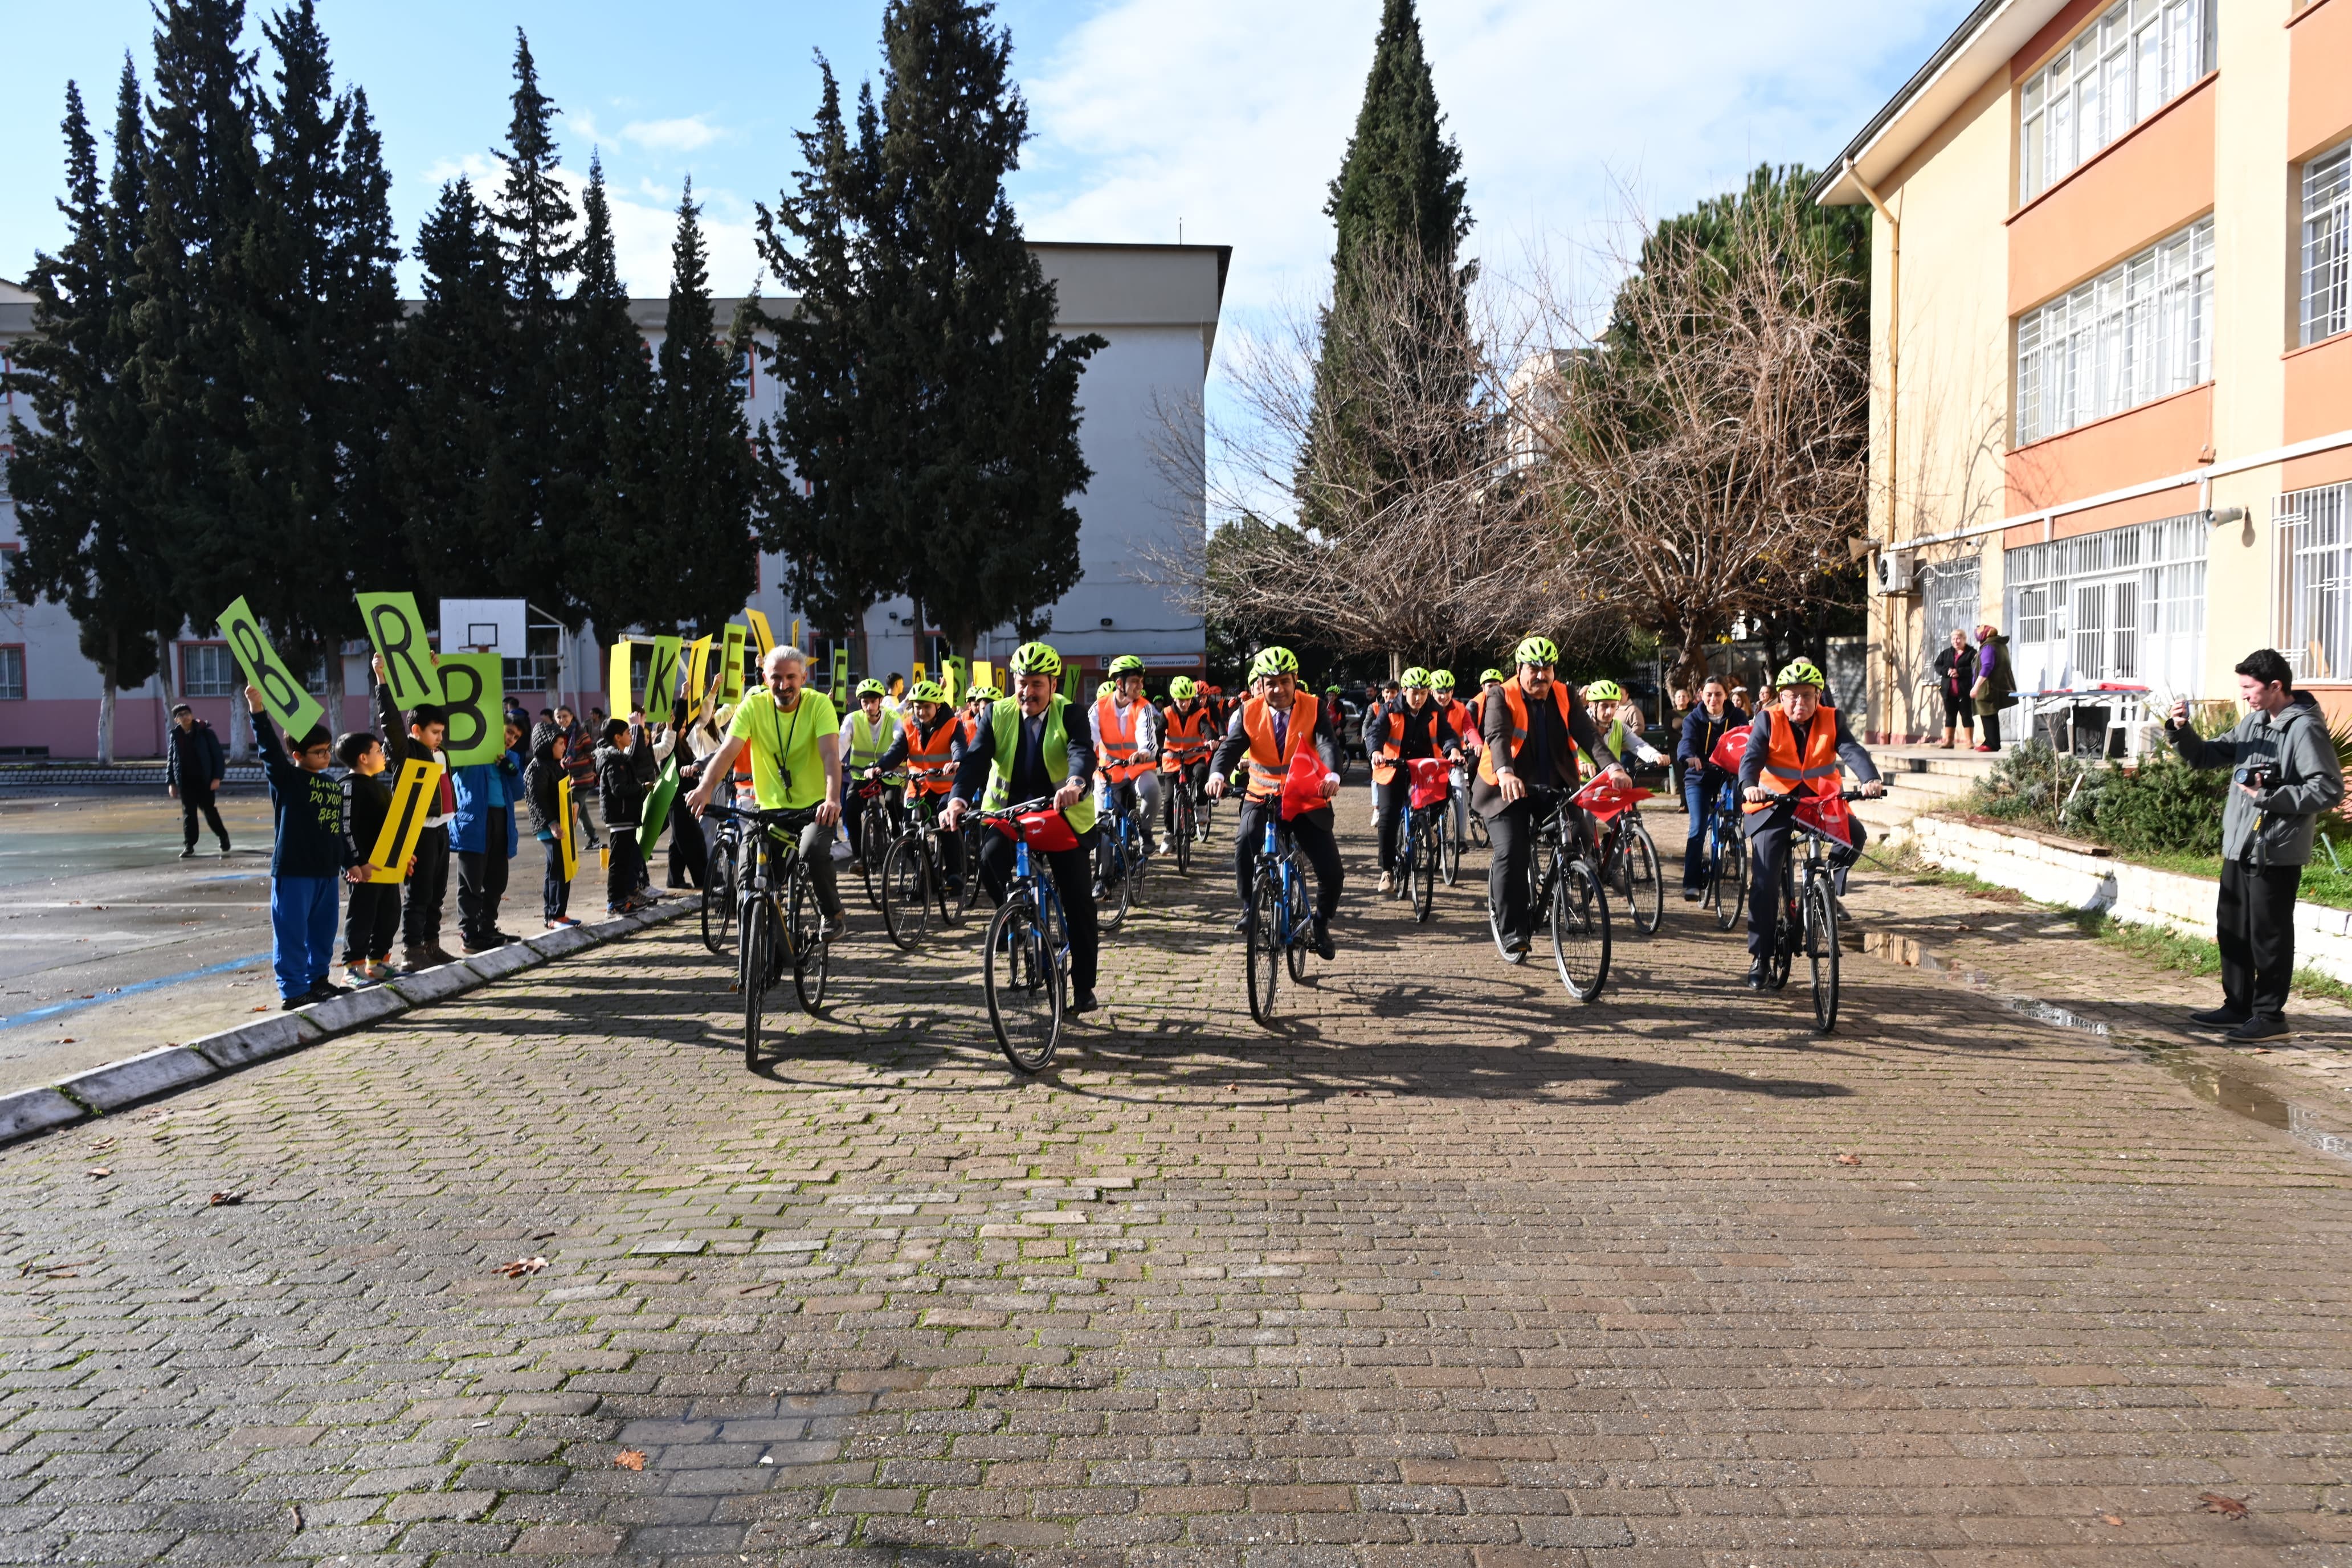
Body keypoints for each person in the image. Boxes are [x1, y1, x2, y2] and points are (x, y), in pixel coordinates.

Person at [2165, 650, 2347, 1042]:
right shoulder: (2253, 723)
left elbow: (2328, 789)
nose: (2244, 695)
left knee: (2269, 936)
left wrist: (2271, 795)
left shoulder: (2304, 729)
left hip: (2275, 852)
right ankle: (2238, 1006)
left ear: (2275, 686)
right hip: (2240, 847)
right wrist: (2180, 729)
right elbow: (2205, 756)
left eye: (2250, 688)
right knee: (2233, 931)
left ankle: (2269, 1017)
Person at [942, 642, 1104, 1013]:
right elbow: (975, 762)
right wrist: (958, 799)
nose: (1027, 692)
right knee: (989, 859)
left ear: (1052, 684)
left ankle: (1083, 985)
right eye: (1021, 683)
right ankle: (1015, 916)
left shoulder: (1071, 713)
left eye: (1036, 684)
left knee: (1078, 897)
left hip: (1061, 814)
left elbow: (1082, 752)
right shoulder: (995, 714)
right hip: (1009, 813)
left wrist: (1076, 784)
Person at [1737, 659, 1885, 989]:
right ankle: (1760, 957)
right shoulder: (1767, 719)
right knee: (1764, 880)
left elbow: (1852, 750)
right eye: (1792, 696)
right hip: (1772, 806)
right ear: (1781, 697)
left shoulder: (1833, 719)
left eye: (1807, 695)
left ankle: (1825, 885)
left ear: (1819, 695)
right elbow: (1752, 758)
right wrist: (1749, 784)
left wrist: (1870, 778)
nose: (1799, 703)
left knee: (1855, 835)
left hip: (1817, 803)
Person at [1475, 636, 1627, 958]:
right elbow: (1498, 736)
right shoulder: (1501, 694)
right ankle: (1512, 929)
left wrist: (1612, 767)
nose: (1541, 676)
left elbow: (1588, 734)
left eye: (1548, 669)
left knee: (1582, 835)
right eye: (1534, 669)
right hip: (1506, 790)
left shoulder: (1565, 693)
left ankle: (1564, 887)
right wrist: (1505, 773)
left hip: (1553, 787)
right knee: (1512, 851)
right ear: (1519, 669)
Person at [684, 644, 847, 931]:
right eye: (776, 677)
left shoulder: (819, 704)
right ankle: (755, 956)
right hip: (768, 810)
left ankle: (831, 913)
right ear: (764, 676)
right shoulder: (753, 706)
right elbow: (727, 752)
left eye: (791, 678)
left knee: (812, 854)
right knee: (749, 879)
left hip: (814, 809)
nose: (784, 685)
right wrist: (705, 788)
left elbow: (831, 756)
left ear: (804, 677)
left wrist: (833, 799)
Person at [1208, 646, 1343, 959]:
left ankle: (1320, 925)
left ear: (1295, 680)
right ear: (1261, 684)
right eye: (1271, 683)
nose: (1278, 689)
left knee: (1333, 873)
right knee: (1245, 839)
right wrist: (1218, 774)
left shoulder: (1314, 707)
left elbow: (1327, 744)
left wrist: (1333, 776)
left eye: (1284, 681)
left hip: (1307, 799)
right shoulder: (1248, 711)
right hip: (1262, 797)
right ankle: (1248, 907)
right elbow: (1230, 748)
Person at [244, 685, 350, 1010]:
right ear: (298, 756)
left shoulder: (332, 785)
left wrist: (349, 863)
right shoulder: (288, 779)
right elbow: (269, 750)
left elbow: (338, 829)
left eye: (328, 750)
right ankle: (293, 990)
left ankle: (318, 980)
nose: (326, 756)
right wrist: (257, 709)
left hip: (325, 871)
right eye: (319, 751)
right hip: (294, 871)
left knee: (323, 930)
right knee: (291, 932)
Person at [375, 658, 455, 972]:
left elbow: (427, 704)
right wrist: (381, 679)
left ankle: (432, 945)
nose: (440, 737)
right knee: (418, 893)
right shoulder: (406, 750)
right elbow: (391, 723)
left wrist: (430, 673)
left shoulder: (438, 751)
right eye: (435, 732)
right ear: (416, 730)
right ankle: (412, 950)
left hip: (441, 828)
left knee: (436, 892)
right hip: (418, 831)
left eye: (442, 732)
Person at [1366, 667, 1459, 892]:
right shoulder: (1389, 709)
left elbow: (1447, 734)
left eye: (1424, 693)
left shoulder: (1435, 710)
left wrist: (1453, 750)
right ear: (1404, 691)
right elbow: (1375, 732)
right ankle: (1387, 870)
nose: (1418, 698)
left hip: (1424, 766)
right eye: (1414, 693)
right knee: (1388, 816)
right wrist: (1376, 752)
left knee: (1446, 792)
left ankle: (1428, 828)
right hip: (1393, 767)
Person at [873, 679, 965, 888]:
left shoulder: (952, 724)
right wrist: (880, 766)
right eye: (917, 707)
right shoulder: (908, 725)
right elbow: (896, 751)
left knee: (945, 822)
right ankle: (923, 872)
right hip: (918, 787)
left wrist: (957, 761)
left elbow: (958, 746)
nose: (921, 712)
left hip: (945, 787)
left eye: (926, 707)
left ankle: (954, 874)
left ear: (938, 706)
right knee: (909, 831)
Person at [335, 729, 403, 986]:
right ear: (363, 758)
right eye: (377, 751)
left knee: (389, 913)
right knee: (362, 915)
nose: (383, 755)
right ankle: (353, 968)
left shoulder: (379, 787)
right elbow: (346, 827)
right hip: (363, 869)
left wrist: (402, 858)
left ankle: (378, 962)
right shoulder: (349, 787)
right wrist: (356, 862)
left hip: (387, 867)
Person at [451, 716, 526, 952]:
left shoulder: (511, 758)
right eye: (509, 732)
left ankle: (487, 927)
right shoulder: (472, 753)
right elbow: (452, 768)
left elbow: (518, 792)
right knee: (471, 881)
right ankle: (469, 933)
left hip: (501, 821)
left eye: (516, 737)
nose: (511, 740)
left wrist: (510, 769)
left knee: (497, 880)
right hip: (474, 823)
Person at [1676, 676, 1751, 901]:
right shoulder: (1693, 719)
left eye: (1718, 694)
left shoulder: (1737, 716)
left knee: (1739, 811)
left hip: (1729, 774)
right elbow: (1686, 741)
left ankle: (1735, 844)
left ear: (1726, 696)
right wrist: (1689, 757)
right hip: (1699, 776)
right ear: (1701, 696)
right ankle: (1691, 883)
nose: (1713, 699)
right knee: (1698, 828)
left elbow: (1748, 740)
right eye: (1708, 694)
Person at [1091, 654, 1163, 860]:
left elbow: (1147, 735)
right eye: (1134, 681)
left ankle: (1145, 831)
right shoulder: (1098, 708)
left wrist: (1143, 752)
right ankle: (1102, 877)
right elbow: (1088, 740)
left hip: (1137, 770)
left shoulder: (1144, 707)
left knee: (1153, 792)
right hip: (1108, 775)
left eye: (1141, 681)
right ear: (1119, 683)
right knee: (1103, 824)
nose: (1140, 686)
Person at [839, 678, 904, 867]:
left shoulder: (892, 717)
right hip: (861, 775)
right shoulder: (853, 719)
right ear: (860, 702)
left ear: (880, 701)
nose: (869, 706)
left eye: (873, 702)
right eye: (865, 702)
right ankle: (859, 857)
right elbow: (842, 742)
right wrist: (834, 761)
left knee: (892, 802)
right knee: (850, 812)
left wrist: (892, 762)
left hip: (888, 774)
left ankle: (899, 838)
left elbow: (898, 739)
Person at [523, 720, 579, 930]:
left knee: (559, 869)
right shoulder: (537, 768)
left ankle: (557, 914)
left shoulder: (557, 766)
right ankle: (555, 915)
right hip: (550, 828)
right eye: (559, 743)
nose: (564, 747)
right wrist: (553, 823)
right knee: (557, 870)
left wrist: (574, 806)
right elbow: (537, 800)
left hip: (561, 825)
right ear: (547, 745)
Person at [165, 702, 231, 859]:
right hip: (186, 782)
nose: (185, 717)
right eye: (180, 715)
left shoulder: (206, 733)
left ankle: (223, 836)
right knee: (189, 814)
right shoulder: (175, 736)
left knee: (209, 812)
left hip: (205, 780)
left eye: (187, 713)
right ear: (176, 720)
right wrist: (171, 783)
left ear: (192, 715)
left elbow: (218, 757)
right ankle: (189, 845)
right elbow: (171, 760)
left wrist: (217, 778)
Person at [1158, 676, 1218, 844]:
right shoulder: (1167, 713)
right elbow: (1159, 732)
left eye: (1188, 700)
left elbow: (1206, 728)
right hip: (1172, 761)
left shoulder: (1199, 712)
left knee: (1202, 772)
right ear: (1174, 698)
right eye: (1181, 700)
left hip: (1194, 757)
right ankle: (1169, 834)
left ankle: (1200, 808)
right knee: (1169, 799)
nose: (1184, 704)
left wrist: (1211, 739)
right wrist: (1157, 749)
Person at [557, 704, 602, 851]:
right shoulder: (559, 734)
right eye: (559, 717)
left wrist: (581, 765)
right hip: (568, 778)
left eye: (565, 716)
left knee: (572, 809)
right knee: (581, 811)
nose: (562, 720)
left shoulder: (580, 733)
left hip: (583, 778)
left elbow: (591, 754)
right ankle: (593, 838)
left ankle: (566, 843)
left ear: (572, 716)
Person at [1971, 622, 2017, 752]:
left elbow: (1987, 667)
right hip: (1994, 685)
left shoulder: (1989, 647)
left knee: (1987, 712)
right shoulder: (1999, 645)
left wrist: (1976, 687)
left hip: (1987, 686)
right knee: (1990, 713)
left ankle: (1992, 744)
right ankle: (1991, 741)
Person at [1933, 627, 1977, 749]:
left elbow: (1976, 669)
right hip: (1949, 691)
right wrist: (1947, 671)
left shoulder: (1972, 653)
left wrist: (1960, 672)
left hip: (1964, 691)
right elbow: (1937, 666)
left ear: (1964, 639)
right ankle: (1949, 741)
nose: (1956, 641)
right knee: (1950, 716)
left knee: (1966, 715)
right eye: (1953, 639)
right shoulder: (1946, 653)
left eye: (1958, 639)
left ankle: (1969, 741)